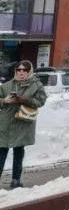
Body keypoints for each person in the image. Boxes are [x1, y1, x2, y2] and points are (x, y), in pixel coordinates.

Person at [0, 61, 48, 189]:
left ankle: (16, 180)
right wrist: (4, 100)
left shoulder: (36, 85)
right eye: (19, 70)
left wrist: (25, 100)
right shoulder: (6, 86)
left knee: (18, 152)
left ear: (29, 71)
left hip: (23, 122)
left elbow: (41, 101)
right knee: (1, 152)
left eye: (24, 70)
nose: (21, 72)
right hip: (5, 123)